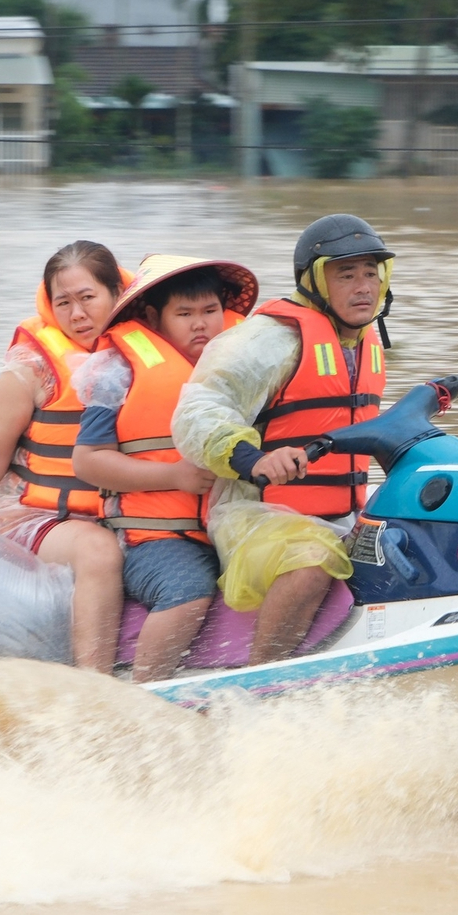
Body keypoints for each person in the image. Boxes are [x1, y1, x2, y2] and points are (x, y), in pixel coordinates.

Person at [173, 215, 393, 665]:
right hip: (254, 516)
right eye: (346, 274)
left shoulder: (364, 340)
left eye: (371, 273)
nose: (363, 286)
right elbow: (197, 411)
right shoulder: (272, 339)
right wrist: (253, 459)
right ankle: (263, 677)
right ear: (314, 281)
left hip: (342, 511)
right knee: (311, 559)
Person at [0, 240, 127, 672]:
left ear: (116, 293)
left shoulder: (148, 349)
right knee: (97, 550)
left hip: (123, 511)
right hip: (35, 517)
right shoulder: (30, 368)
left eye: (88, 298)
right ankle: (95, 690)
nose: (77, 314)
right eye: (64, 303)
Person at [70, 256, 258, 680]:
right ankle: (146, 694)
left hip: (227, 526)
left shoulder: (241, 366)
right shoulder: (116, 370)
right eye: (184, 314)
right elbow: (87, 461)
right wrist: (174, 476)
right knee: (187, 590)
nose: (201, 325)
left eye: (210, 311)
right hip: (149, 538)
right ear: (154, 318)